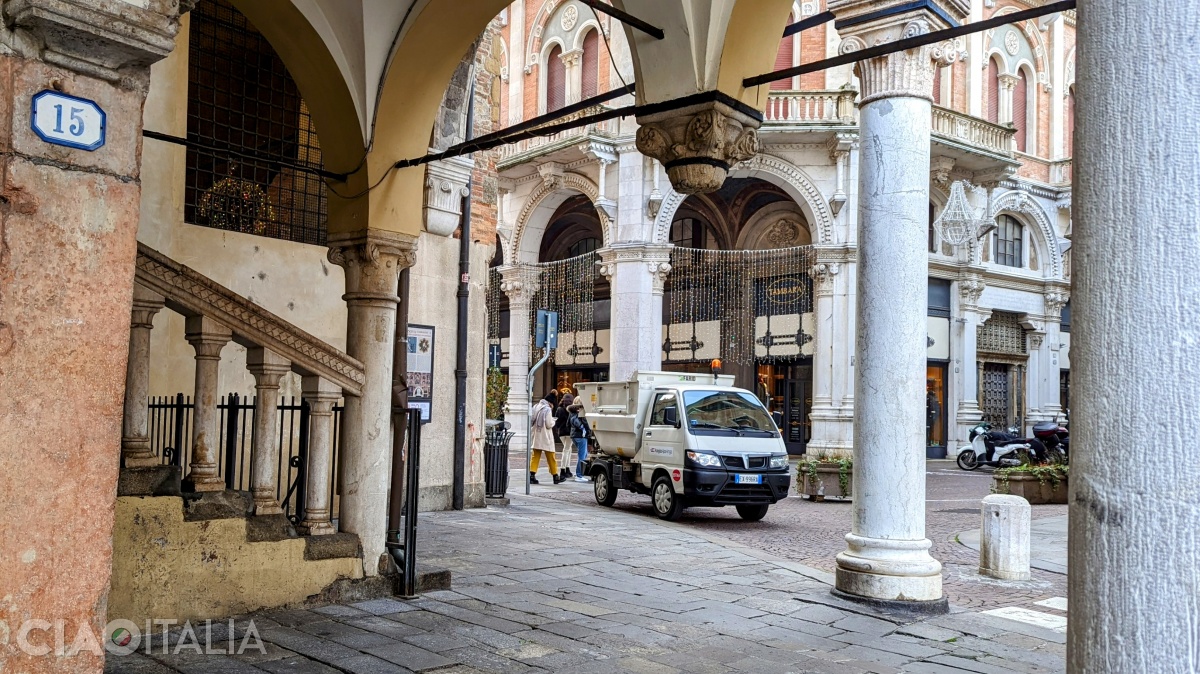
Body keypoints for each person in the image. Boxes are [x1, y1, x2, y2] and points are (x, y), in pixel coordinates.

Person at [529, 391, 561, 484]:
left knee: (535, 455)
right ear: (551, 402)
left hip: (536, 434)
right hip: (545, 435)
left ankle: (532, 475)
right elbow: (548, 424)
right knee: (551, 455)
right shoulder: (547, 409)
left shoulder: (536, 406)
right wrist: (553, 421)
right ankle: (555, 475)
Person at [554, 393, 575, 479]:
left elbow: (556, 421)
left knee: (568, 449)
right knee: (567, 450)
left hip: (561, 432)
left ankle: (567, 468)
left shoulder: (559, 409)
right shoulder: (571, 409)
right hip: (569, 432)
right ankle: (563, 469)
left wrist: (558, 428)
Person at [568, 402, 591, 482]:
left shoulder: (572, 413)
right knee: (582, 456)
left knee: (583, 454)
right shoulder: (579, 414)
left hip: (575, 435)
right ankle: (579, 475)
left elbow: (568, 424)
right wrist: (585, 429)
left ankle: (578, 473)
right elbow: (583, 423)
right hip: (580, 436)